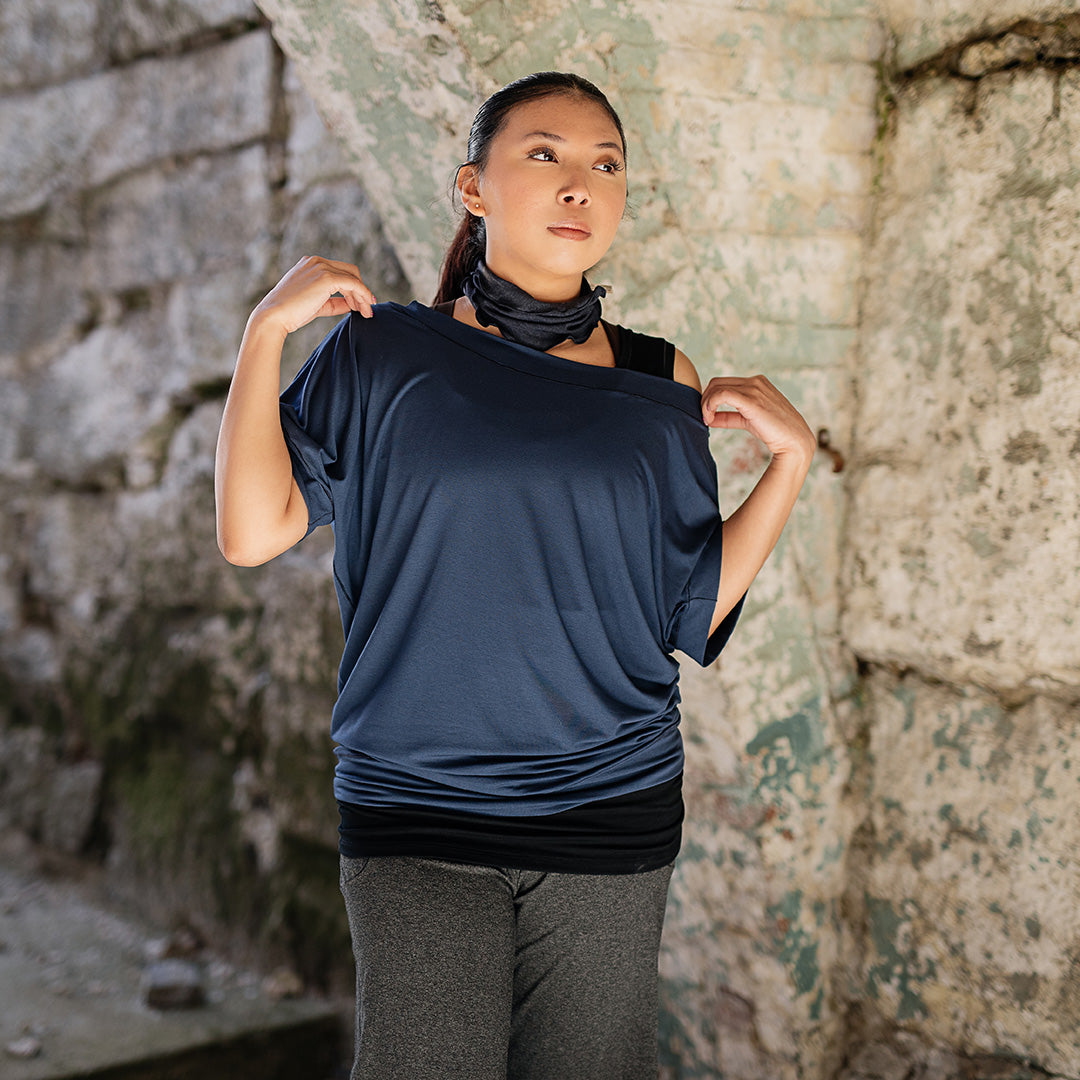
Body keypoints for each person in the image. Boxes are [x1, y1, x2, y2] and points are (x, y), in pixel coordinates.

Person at [215, 71, 815, 1080]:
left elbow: (687, 606)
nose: (579, 185)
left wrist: (789, 466)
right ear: (474, 187)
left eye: (605, 165)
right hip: (416, 803)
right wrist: (264, 336)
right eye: (544, 155)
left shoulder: (656, 379)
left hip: (613, 801)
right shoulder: (383, 351)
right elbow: (252, 530)